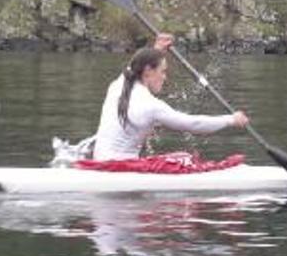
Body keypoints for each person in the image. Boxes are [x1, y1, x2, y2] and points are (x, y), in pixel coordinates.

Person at [91, 33, 248, 160]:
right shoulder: (150, 105)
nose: (165, 77)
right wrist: (231, 120)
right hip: (121, 170)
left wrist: (157, 50)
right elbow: (194, 124)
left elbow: (134, 64)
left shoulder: (118, 85)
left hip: (99, 162)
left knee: (178, 157)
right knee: (186, 159)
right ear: (148, 71)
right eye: (163, 71)